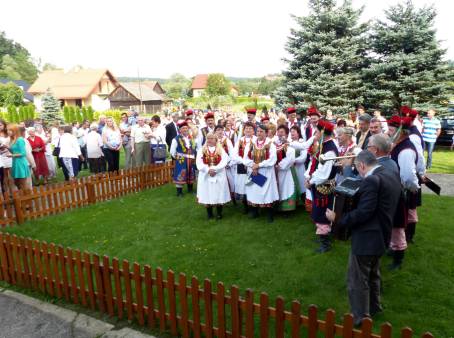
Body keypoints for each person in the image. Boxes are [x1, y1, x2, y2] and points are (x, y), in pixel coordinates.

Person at [325, 151, 401, 327]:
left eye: (357, 169)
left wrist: (337, 219)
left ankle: (360, 317)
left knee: (357, 279)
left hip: (367, 237)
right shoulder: (389, 173)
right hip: (382, 233)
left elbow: (364, 212)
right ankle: (375, 307)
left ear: (361, 165)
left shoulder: (372, 181)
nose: (358, 172)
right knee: (374, 274)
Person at [388, 115, 419, 268]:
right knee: (393, 223)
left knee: (398, 225)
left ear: (401, 131)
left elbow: (408, 176)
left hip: (400, 192)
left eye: (391, 129)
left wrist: (411, 189)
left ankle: (398, 258)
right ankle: (393, 249)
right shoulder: (397, 145)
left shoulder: (405, 150)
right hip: (394, 191)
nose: (388, 132)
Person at [305, 120, 338, 253]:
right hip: (319, 185)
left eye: (317, 131)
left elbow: (324, 174)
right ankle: (322, 236)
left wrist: (311, 181)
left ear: (323, 133)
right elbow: (318, 167)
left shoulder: (330, 151)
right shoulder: (324, 146)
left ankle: (325, 244)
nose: (315, 133)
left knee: (322, 212)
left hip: (323, 186)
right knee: (319, 210)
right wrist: (311, 178)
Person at [243, 124, 279, 222]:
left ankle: (269, 214)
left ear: (266, 133)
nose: (259, 133)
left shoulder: (270, 144)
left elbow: (273, 159)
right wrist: (253, 165)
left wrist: (259, 165)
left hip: (266, 171)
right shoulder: (250, 144)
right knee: (254, 191)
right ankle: (255, 211)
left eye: (261, 131)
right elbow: (245, 158)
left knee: (267, 192)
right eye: (258, 131)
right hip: (253, 171)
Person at [196, 133, 231, 219]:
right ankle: (209, 213)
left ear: (216, 140)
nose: (210, 140)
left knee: (218, 193)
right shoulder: (202, 150)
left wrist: (215, 169)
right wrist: (208, 170)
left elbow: (224, 161)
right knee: (207, 193)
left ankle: (219, 213)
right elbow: (199, 163)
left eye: (212, 138)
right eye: (208, 138)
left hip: (218, 174)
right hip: (206, 175)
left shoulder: (221, 150)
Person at [232, 122, 256, 213]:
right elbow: (234, 155)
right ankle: (246, 206)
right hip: (241, 166)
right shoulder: (240, 141)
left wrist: (250, 164)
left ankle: (254, 207)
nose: (248, 130)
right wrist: (243, 162)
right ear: (243, 130)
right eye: (246, 128)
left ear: (254, 131)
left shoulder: (256, 140)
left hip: (253, 166)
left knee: (253, 185)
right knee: (243, 186)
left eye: (250, 128)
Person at [275, 125, 299, 212]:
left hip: (287, 171)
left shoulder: (289, 145)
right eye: (278, 132)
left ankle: (288, 209)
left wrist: (279, 166)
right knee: (279, 188)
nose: (279, 134)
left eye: (282, 132)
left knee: (287, 187)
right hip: (277, 171)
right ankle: (278, 207)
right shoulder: (275, 144)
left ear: (286, 134)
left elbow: (290, 159)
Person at [170, 121, 197, 196]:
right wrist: (178, 158)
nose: (185, 130)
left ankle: (190, 190)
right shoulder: (176, 139)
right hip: (181, 160)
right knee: (181, 173)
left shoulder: (190, 138)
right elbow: (172, 151)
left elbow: (194, 147)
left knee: (190, 173)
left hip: (190, 160)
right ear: (180, 130)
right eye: (183, 128)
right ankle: (179, 192)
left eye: (186, 128)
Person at [289, 125, 313, 200]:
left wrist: (295, 160)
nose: (292, 133)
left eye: (294, 131)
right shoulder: (289, 142)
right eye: (291, 132)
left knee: (300, 182)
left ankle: (303, 199)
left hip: (299, 167)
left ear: (298, 133)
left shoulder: (302, 142)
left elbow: (304, 157)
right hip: (290, 167)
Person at [5, 124, 31, 190]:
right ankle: (22, 197)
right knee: (16, 183)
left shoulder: (20, 140)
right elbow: (14, 151)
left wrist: (12, 155)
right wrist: (7, 147)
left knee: (22, 183)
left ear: (15, 131)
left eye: (10, 130)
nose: (8, 132)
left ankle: (26, 197)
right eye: (7, 130)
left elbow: (23, 153)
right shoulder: (12, 140)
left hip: (21, 163)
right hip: (15, 163)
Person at [215, 125, 235, 200]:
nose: (220, 131)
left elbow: (232, 152)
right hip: (216, 165)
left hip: (226, 164)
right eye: (218, 130)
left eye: (221, 130)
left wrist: (230, 163)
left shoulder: (227, 140)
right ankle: (219, 198)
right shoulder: (213, 140)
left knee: (229, 181)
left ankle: (231, 197)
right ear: (215, 132)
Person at [0, 119, 13, 193]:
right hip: (1, 157)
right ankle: (6, 192)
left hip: (10, 154)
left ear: (4, 125)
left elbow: (12, 143)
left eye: (0, 125)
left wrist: (8, 147)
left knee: (11, 175)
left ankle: (13, 191)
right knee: (4, 176)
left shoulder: (8, 133)